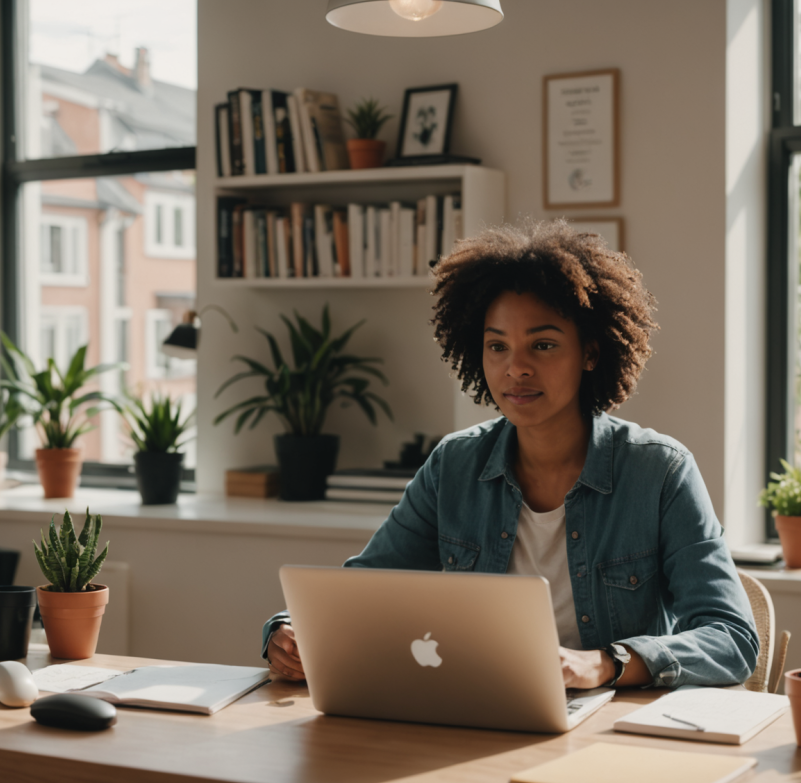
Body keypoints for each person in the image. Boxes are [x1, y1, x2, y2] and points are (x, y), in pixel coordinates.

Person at [262, 220, 758, 690]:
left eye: (542, 345)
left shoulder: (660, 472)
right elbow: (359, 593)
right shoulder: (453, 466)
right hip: (477, 712)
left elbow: (731, 638)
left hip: (610, 730)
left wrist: (603, 664)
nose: (515, 368)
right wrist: (289, 631)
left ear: (590, 353)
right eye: (497, 346)